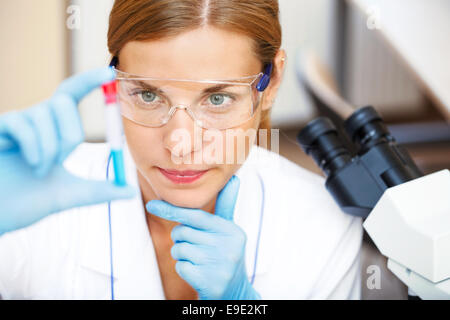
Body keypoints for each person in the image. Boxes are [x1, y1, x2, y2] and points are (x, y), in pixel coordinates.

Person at [0, 0, 362, 299]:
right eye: (148, 95)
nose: (180, 144)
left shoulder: (324, 226)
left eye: (217, 99)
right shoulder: (35, 208)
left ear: (271, 83)